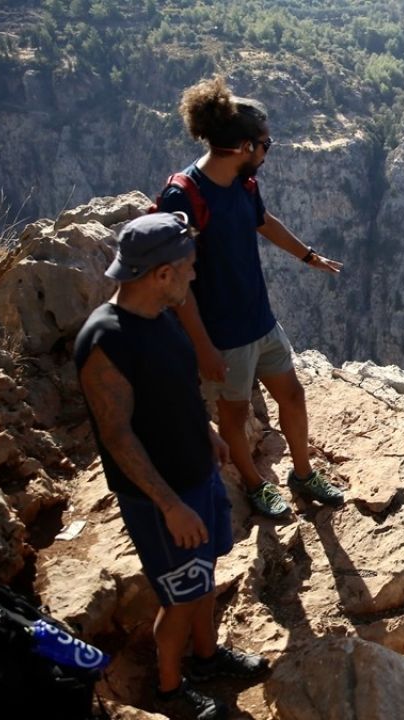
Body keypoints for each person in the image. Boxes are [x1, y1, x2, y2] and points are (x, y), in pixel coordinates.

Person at [76, 212, 269, 720]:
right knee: (179, 597)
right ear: (161, 273)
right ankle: (169, 688)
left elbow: (174, 390)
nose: (193, 275)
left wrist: (206, 433)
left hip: (196, 476)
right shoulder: (105, 342)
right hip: (162, 500)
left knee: (202, 577)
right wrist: (170, 506)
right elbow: (117, 437)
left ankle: (206, 659)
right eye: (187, 267)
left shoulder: (160, 314)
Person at [158, 75, 344, 518]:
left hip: (260, 321)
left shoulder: (243, 183)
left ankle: (303, 474)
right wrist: (203, 346)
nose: (268, 151)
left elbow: (263, 221)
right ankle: (257, 485)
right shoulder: (183, 198)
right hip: (223, 336)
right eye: (266, 144)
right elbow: (175, 284)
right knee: (235, 416)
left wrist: (308, 255)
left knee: (293, 397)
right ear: (244, 147)